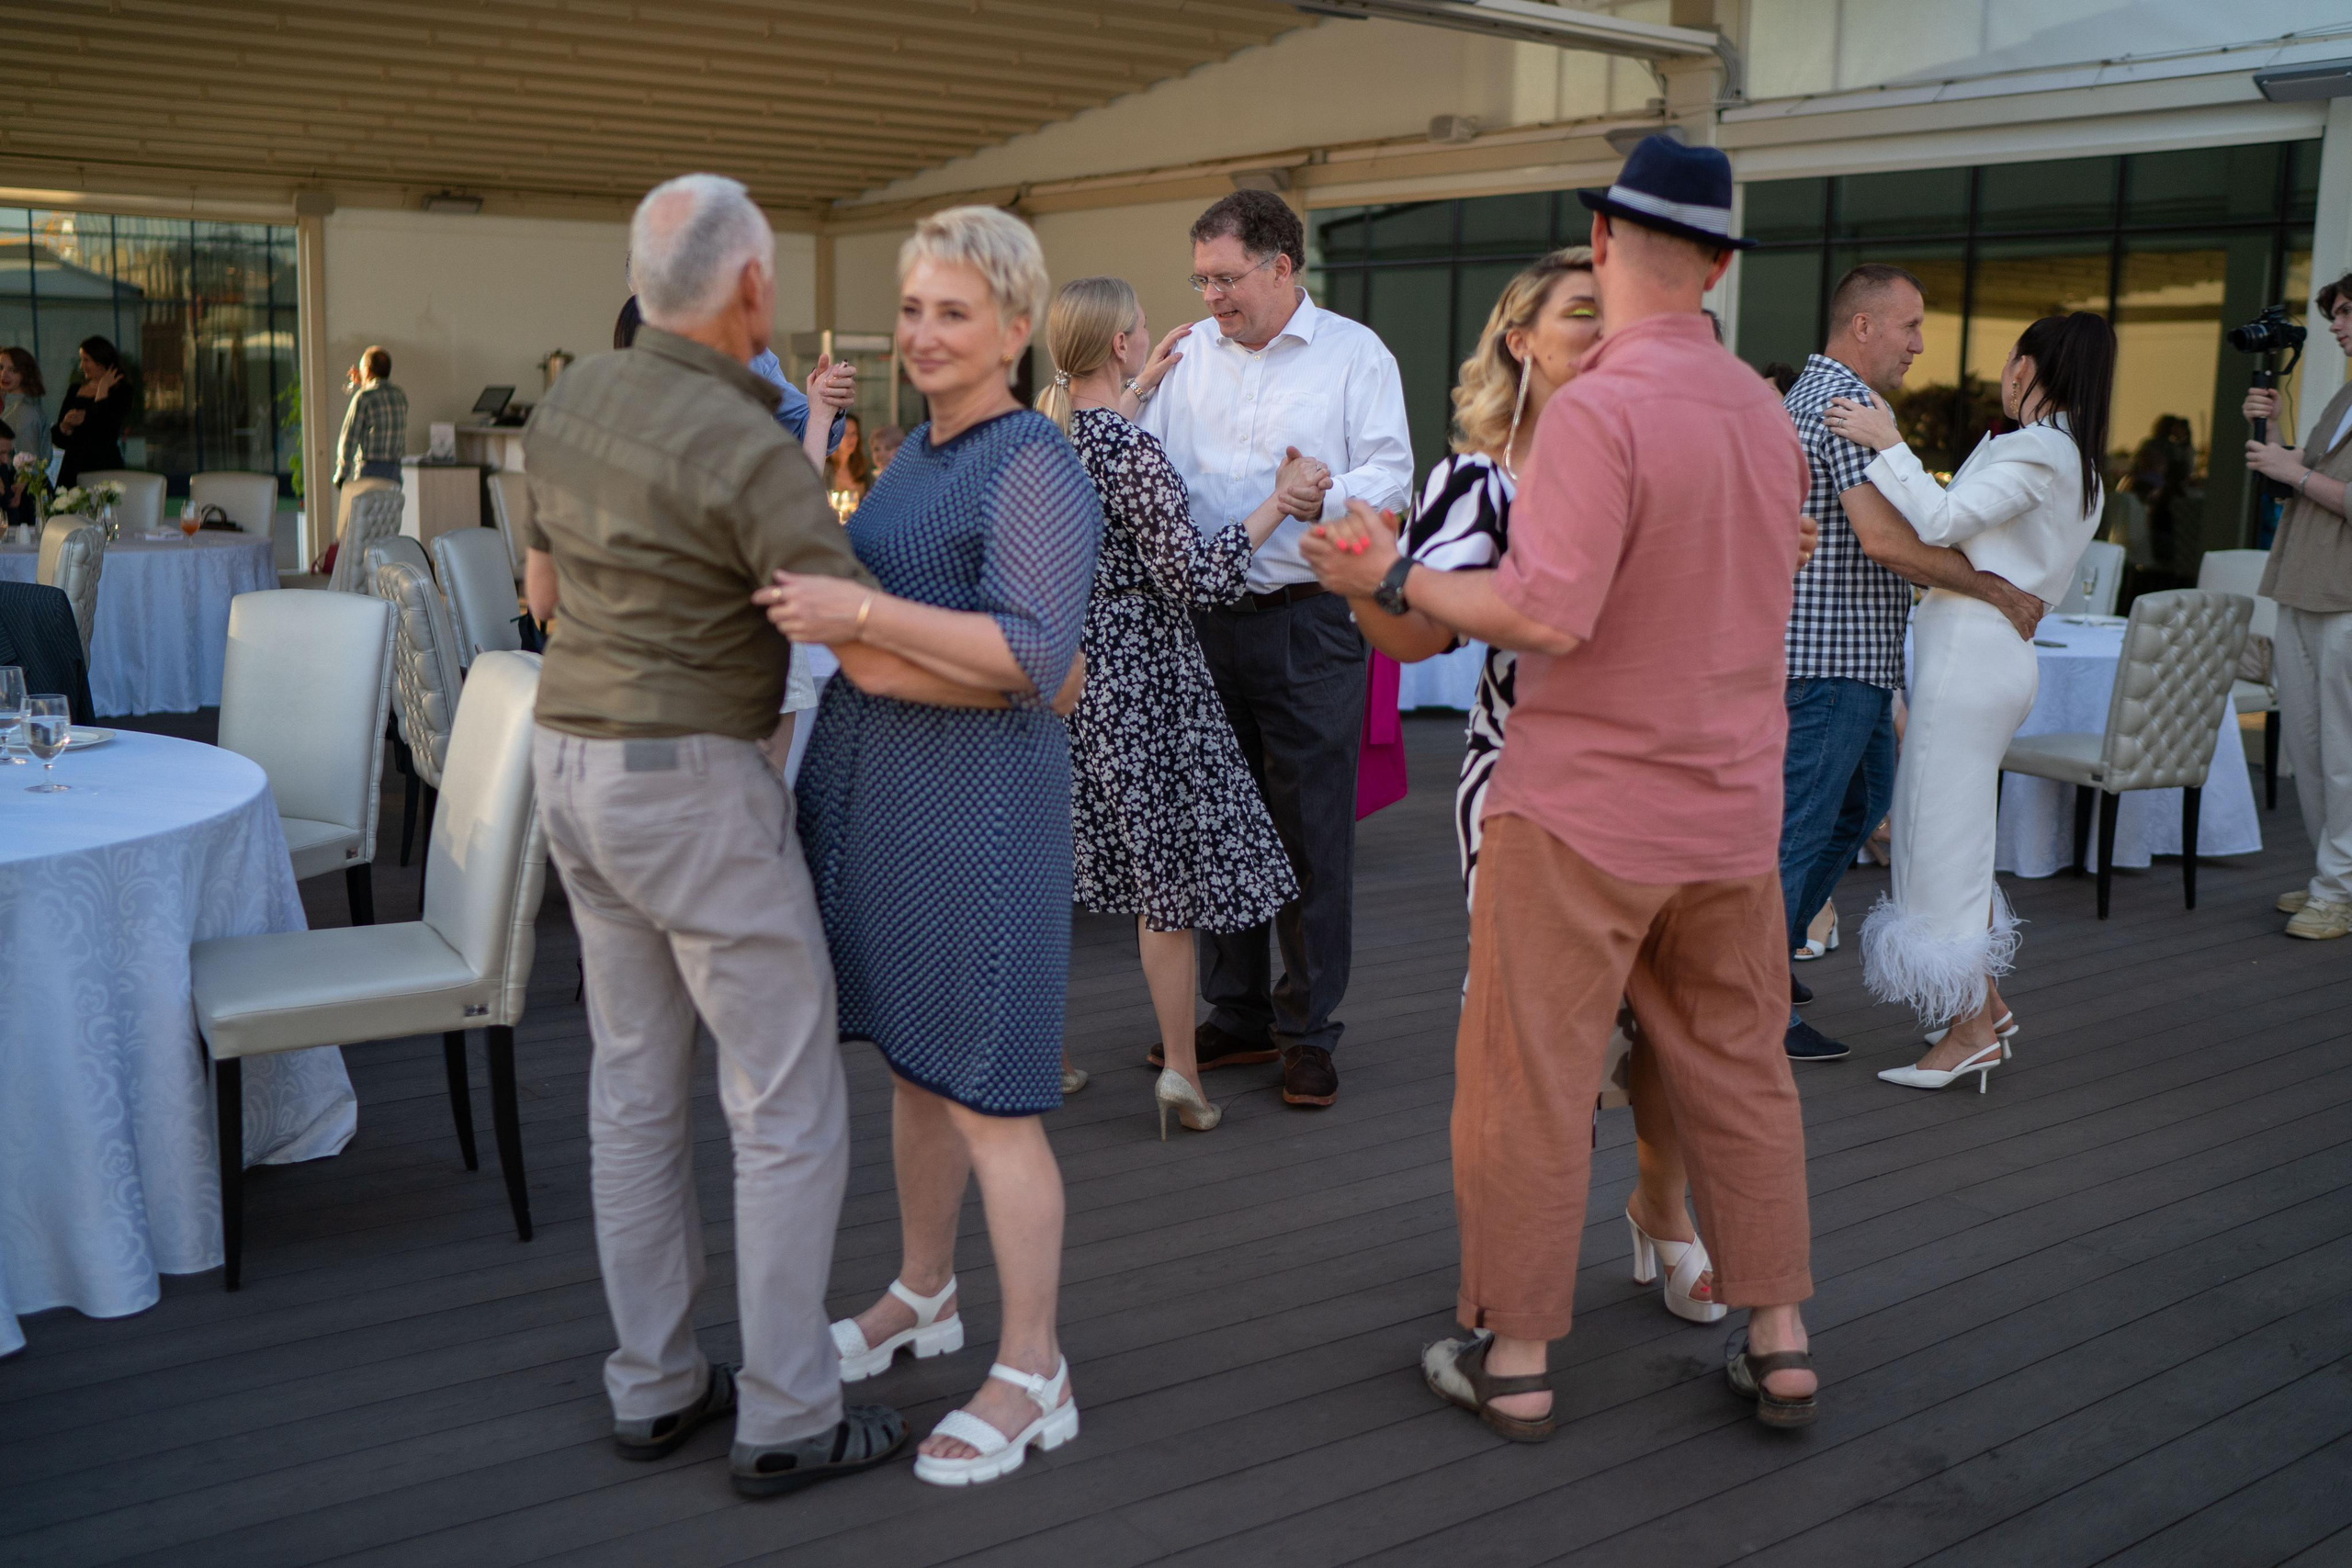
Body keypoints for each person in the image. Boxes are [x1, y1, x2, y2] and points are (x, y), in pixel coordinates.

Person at [1328, 135, 1821, 1437]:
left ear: (1603, 242)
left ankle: (1520, 1357)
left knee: (1530, 1078)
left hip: (1582, 811)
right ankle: (1780, 1338)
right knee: (1743, 1073)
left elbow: (1546, 612)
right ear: (1718, 265)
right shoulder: (1763, 414)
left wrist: (1390, 574)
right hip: (1733, 811)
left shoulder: (1599, 407)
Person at [522, 173, 908, 1499]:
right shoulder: (744, 438)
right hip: (689, 778)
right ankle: (790, 1409)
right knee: (784, 1096)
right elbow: (853, 627)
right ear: (751, 285)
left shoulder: (569, 400)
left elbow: (542, 590)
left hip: (568, 762)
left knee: (633, 1085)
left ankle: (655, 1380)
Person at [760, 205, 1100, 1488]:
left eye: (954, 312)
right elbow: (972, 652)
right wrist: (881, 645)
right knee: (916, 1067)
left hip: (983, 815)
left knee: (992, 1097)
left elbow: (1036, 655)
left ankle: (1034, 1367)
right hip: (896, 799)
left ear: (1015, 328)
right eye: (912, 309)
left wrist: (863, 621)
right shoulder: (915, 456)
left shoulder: (1032, 460)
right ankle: (923, 1291)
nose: (924, 333)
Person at [1135, 188, 1412, 1110]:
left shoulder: (1355, 354)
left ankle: (1308, 1030)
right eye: (1201, 280)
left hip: (1308, 620)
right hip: (1201, 622)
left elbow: (1393, 473)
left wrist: (1323, 494)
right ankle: (1239, 1012)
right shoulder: (1185, 359)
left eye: (1225, 278)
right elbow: (1147, 467)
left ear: (1281, 266)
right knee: (1221, 823)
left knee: (1308, 834)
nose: (1210, 295)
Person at [1037, 274, 1299, 1138]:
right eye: (1139, 329)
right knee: (1166, 885)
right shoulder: (1132, 452)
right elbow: (1196, 577)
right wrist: (1278, 502)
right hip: (1141, 677)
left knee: (1064, 865)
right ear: (1118, 343)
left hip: (1068, 672)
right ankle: (1182, 1069)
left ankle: (1045, 1053)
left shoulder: (1048, 439)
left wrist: (1138, 389)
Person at [1830, 311, 2114, 1088]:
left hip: (1971, 661)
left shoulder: (2038, 448)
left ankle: (1968, 1033)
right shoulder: (2074, 455)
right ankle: (1985, 1005)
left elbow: (1941, 519)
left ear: (2026, 367)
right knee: (1950, 834)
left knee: (1935, 843)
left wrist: (1887, 439)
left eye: (2011, 358)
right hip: (1988, 657)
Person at [1776, 265, 2048, 1064]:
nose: (1921, 344)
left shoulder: (1842, 400)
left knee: (1855, 810)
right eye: (1911, 325)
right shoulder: (1841, 404)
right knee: (1802, 828)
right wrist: (1994, 587)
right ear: (1863, 325)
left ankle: (1765, 957)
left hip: (1848, 658)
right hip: (1830, 659)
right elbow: (1886, 540)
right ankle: (1751, 1003)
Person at [2243, 272, 2352, 940]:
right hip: (2303, 585)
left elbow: (2309, 480)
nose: (2336, 325)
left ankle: (2338, 890)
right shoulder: (2344, 396)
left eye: (2347, 312)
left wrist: (2297, 471)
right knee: (2309, 749)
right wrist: (2275, 431)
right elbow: (2303, 477)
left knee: (2343, 752)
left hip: (2344, 598)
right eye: (2336, 313)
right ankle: (2332, 877)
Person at [331, 345, 408, 536]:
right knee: (386, 530)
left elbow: (349, 437)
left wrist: (341, 475)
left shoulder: (363, 398)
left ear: (366, 369)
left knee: (362, 533)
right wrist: (364, 384)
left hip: (369, 472)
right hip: (394, 473)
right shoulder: (400, 396)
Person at [51, 336, 130, 486]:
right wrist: (65, 426)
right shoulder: (74, 389)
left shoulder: (122, 391)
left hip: (104, 467)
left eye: (86, 360)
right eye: (81, 360)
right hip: (73, 469)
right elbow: (58, 438)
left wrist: (102, 390)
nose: (82, 366)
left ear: (101, 361)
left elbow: (103, 429)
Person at [1, 347, 47, 470]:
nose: (4, 374)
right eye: (0, 368)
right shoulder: (10, 406)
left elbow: (27, 466)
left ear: (25, 373)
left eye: (13, 370)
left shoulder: (25, 412)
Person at [824, 411, 874, 503]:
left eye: (854, 433)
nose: (851, 439)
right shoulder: (823, 470)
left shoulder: (863, 470)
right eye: (845, 433)